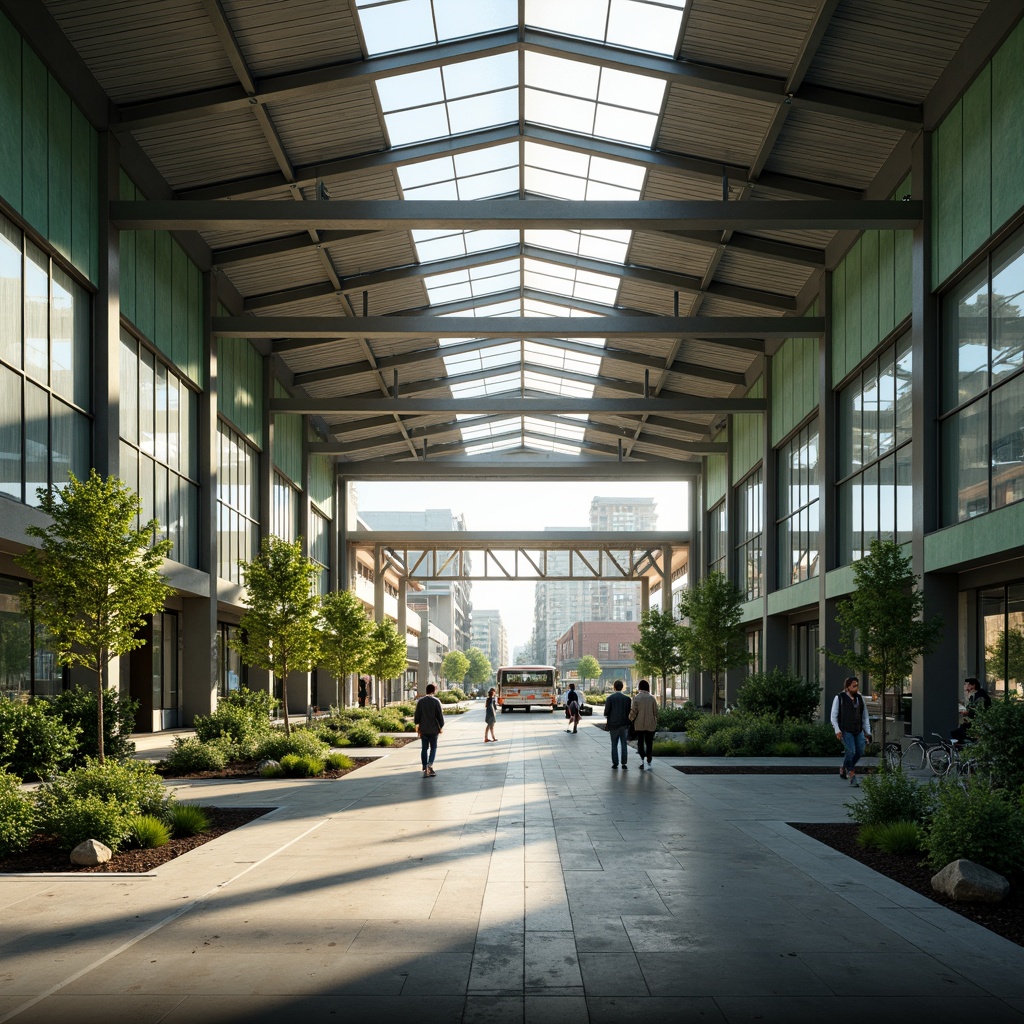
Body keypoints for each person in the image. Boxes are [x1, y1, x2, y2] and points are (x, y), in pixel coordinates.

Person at [830, 676, 871, 786]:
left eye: (857, 686)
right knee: (851, 751)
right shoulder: (840, 698)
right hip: (845, 730)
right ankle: (851, 774)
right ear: (847, 687)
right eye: (854, 686)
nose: (856, 688)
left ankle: (844, 767)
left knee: (860, 751)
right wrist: (837, 730)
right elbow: (833, 716)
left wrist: (868, 731)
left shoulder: (859, 698)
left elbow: (865, 716)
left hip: (857, 730)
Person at [414, 683, 445, 777]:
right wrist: (441, 726)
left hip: (423, 729)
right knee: (433, 748)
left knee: (424, 748)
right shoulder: (436, 701)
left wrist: (418, 725)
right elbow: (440, 716)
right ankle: (429, 764)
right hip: (434, 729)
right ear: (434, 691)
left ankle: (424, 766)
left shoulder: (420, 702)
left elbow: (416, 717)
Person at [950, 676, 991, 743]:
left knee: (957, 733)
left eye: (967, 684)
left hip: (976, 723)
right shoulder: (974, 694)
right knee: (958, 733)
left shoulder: (980, 696)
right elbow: (970, 705)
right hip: (972, 722)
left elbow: (979, 710)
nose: (965, 686)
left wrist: (968, 712)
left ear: (973, 685)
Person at [629, 679, 658, 770]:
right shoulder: (652, 698)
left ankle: (642, 760)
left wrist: (630, 719)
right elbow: (656, 711)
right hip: (650, 724)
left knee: (640, 742)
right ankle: (649, 756)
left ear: (640, 687)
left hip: (639, 724)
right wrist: (656, 719)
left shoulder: (637, 698)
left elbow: (634, 711)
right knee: (649, 742)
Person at [605, 679, 632, 769]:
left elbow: (606, 712)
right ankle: (624, 763)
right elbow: (629, 712)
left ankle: (615, 763)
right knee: (624, 744)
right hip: (624, 725)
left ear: (614, 687)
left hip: (613, 725)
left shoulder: (610, 698)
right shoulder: (627, 699)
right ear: (622, 687)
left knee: (614, 744)